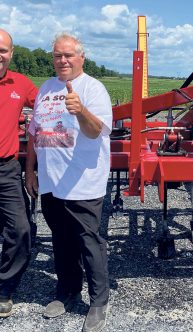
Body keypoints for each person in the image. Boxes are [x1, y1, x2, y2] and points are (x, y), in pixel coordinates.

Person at [25, 32, 112, 332]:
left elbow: (96, 131)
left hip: (83, 183)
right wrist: (30, 170)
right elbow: (35, 134)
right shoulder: (47, 88)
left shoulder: (93, 89)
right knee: (61, 240)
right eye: (57, 55)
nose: (62, 60)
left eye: (68, 55)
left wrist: (80, 110)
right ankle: (68, 291)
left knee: (89, 242)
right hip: (52, 183)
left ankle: (99, 301)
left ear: (81, 57)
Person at [0, 28, 37, 317]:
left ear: (11, 54)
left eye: (3, 50)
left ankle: (4, 289)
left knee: (21, 230)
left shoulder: (21, 84)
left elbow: (49, 108)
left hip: (6, 170)